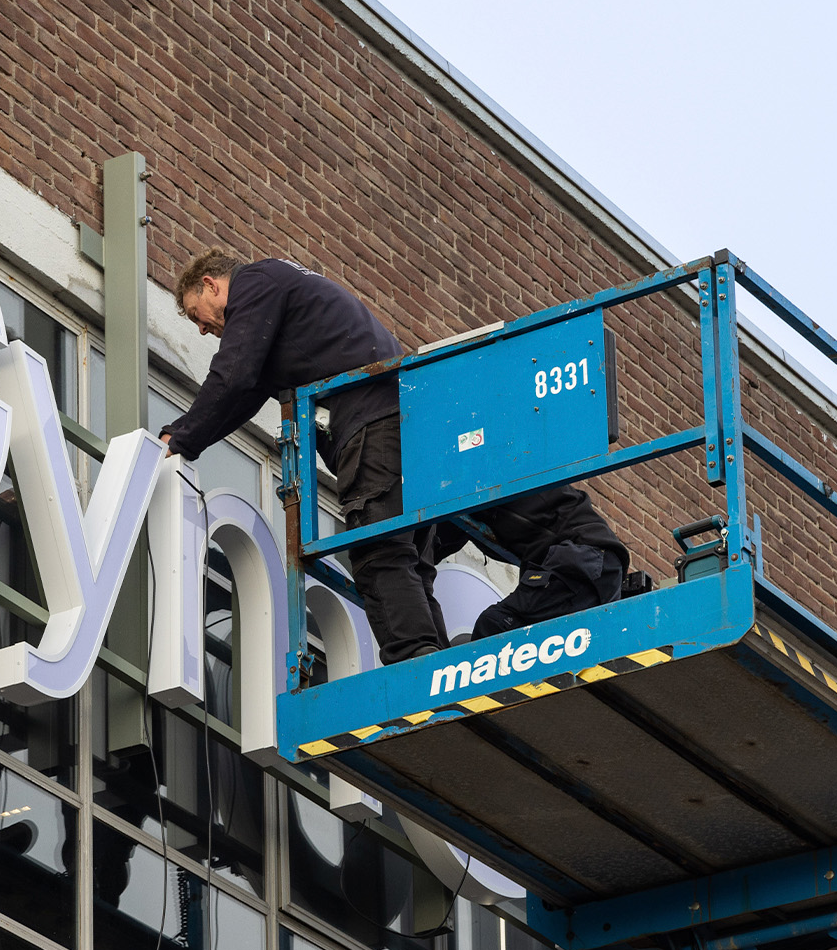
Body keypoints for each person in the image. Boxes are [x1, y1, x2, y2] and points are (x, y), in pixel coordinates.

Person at [157, 247, 636, 668]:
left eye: (201, 316)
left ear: (213, 284)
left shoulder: (257, 283)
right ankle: (435, 658)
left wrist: (177, 439)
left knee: (377, 545)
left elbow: (233, 377)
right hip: (405, 423)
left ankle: (418, 663)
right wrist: (190, 438)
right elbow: (242, 393)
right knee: (413, 552)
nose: (204, 331)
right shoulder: (286, 303)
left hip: (370, 419)